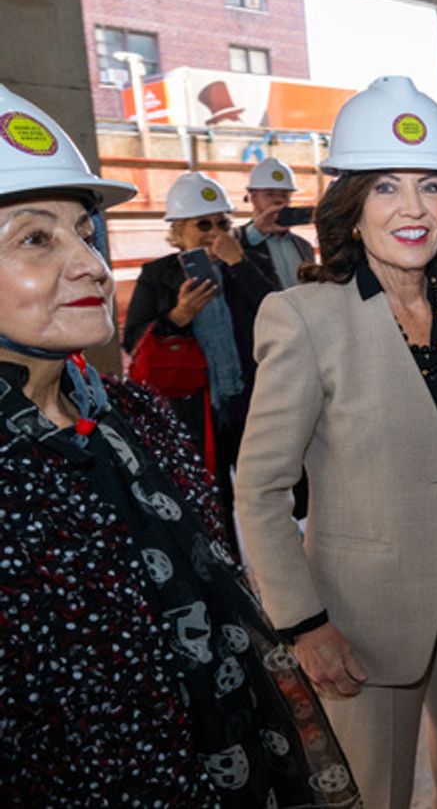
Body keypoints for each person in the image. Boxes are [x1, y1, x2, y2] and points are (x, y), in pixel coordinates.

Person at [0, 84, 359, 805]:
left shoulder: (136, 420)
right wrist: (174, 321)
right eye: (37, 238)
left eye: (85, 231)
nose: (92, 265)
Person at [235, 75, 437, 809]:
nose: (412, 208)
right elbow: (260, 488)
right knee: (372, 789)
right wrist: (304, 622)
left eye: (430, 186)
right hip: (361, 606)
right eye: (386, 187)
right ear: (351, 203)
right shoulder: (305, 317)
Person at [122, 170, 275, 543]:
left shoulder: (248, 261)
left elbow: (280, 311)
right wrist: (178, 318)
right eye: (202, 223)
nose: (214, 232)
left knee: (265, 497)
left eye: (223, 222)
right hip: (195, 408)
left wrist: (239, 264)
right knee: (210, 500)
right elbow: (133, 340)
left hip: (251, 400)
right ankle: (229, 577)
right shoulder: (158, 275)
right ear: (179, 231)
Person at [240, 156, 316, 289]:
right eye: (270, 194)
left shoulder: (305, 247)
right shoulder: (238, 244)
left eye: (284, 195)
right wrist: (258, 230)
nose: (278, 201)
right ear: (253, 199)